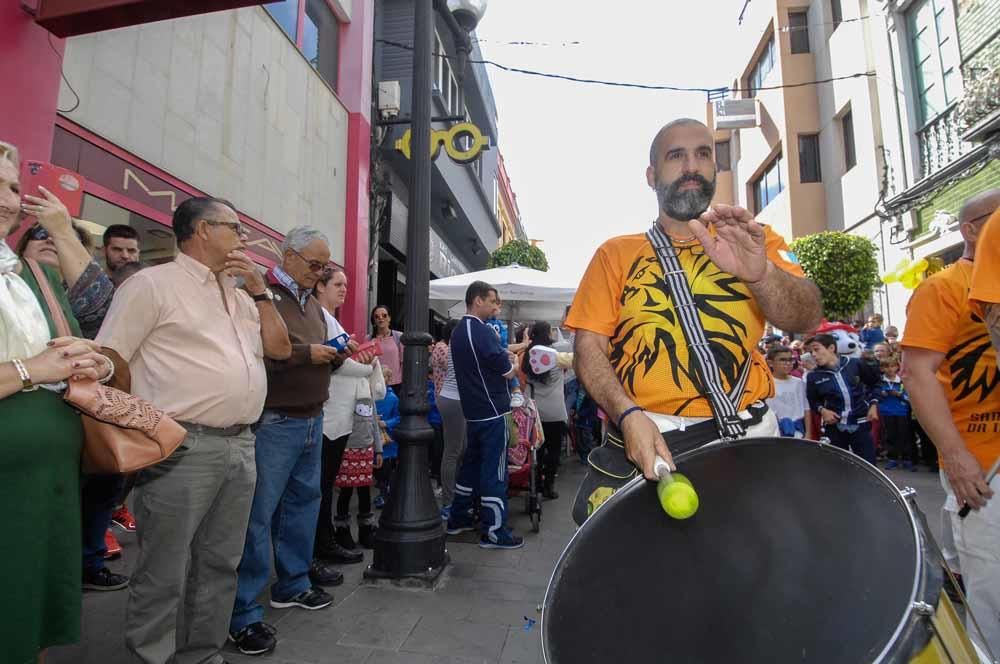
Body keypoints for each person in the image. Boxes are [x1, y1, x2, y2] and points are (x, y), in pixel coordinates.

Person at [566, 119, 821, 523]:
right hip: (648, 442)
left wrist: (760, 273)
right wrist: (627, 415)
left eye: (703, 154)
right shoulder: (615, 255)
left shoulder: (755, 238)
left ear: (715, 170)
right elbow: (589, 349)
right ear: (652, 176)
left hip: (750, 437)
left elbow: (806, 317)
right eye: (676, 155)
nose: (691, 166)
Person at [95, 195, 291, 664]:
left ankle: (202, 654)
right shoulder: (151, 286)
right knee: (164, 567)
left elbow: (280, 350)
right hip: (181, 443)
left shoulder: (243, 296)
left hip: (242, 442)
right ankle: (152, 656)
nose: (243, 238)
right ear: (202, 230)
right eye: (234, 227)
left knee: (221, 563)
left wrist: (261, 292)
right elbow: (110, 358)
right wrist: (140, 426)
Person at [1, 140, 116, 664]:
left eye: (12, 187)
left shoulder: (38, 277)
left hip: (48, 477)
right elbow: (37, 368)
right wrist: (32, 371)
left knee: (34, 612)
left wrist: (90, 362)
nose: (7, 199)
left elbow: (90, 327)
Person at [228, 226, 351, 656]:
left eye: (325, 266)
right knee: (258, 515)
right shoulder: (260, 293)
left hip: (311, 417)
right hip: (276, 420)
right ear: (289, 256)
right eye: (315, 265)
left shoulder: (309, 303)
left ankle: (293, 583)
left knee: (302, 506)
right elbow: (259, 353)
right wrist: (307, 354)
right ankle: (242, 611)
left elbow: (308, 351)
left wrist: (333, 355)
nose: (320, 273)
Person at [902, 188, 1000, 656]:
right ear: (972, 229)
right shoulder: (942, 288)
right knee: (992, 598)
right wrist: (957, 458)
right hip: (984, 469)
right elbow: (918, 374)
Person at [16, 213, 131, 587]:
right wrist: (32, 369)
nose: (49, 241)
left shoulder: (87, 304)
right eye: (39, 235)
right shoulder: (11, 292)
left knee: (91, 500)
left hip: (78, 428)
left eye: (61, 240)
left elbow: (107, 336)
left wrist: (101, 366)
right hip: (20, 438)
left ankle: (83, 564)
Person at [446, 280, 523, 549]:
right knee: (495, 472)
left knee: (470, 469)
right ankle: (494, 532)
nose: (495, 306)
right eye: (492, 301)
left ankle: (459, 519)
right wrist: (515, 363)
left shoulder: (458, 331)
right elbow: (506, 371)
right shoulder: (482, 332)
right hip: (493, 411)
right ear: (477, 300)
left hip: (474, 412)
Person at [313, 268, 369, 567]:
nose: (344, 289)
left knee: (325, 485)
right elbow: (340, 363)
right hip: (327, 417)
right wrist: (369, 365)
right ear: (320, 286)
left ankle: (324, 541)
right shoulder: (319, 318)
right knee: (320, 487)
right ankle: (322, 544)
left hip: (337, 417)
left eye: (347, 284)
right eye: (338, 284)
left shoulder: (330, 319)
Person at [804, 333, 880, 464]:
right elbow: (813, 402)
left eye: (816, 349)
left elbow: (875, 384)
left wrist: (873, 405)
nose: (814, 355)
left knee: (868, 466)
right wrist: (823, 411)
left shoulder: (855, 364)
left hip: (860, 423)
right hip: (834, 427)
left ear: (831, 348)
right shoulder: (813, 376)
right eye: (811, 352)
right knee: (837, 467)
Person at [521, 321, 571, 499]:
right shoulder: (557, 356)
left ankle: (537, 484)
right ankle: (549, 485)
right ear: (548, 334)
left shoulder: (526, 355)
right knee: (554, 450)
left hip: (534, 411)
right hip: (556, 411)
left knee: (536, 450)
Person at [431, 320, 466, 521]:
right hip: (450, 400)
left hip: (449, 399)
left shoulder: (447, 346)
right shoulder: (446, 348)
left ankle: (453, 495)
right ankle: (448, 501)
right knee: (452, 451)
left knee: (458, 449)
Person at [765, 346, 813, 439]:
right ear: (770, 363)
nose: (788, 363)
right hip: (774, 431)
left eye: (790, 360)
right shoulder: (766, 384)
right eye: (782, 360)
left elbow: (806, 408)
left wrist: (808, 433)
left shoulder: (798, 382)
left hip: (798, 430)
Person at [877, 356, 916, 471]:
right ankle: (892, 459)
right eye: (886, 367)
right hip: (886, 412)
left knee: (905, 435)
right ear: (882, 368)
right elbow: (873, 395)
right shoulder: (880, 381)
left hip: (902, 411)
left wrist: (900, 395)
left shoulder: (903, 380)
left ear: (897, 367)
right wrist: (881, 395)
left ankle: (907, 459)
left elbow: (911, 397)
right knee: (890, 435)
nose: (890, 369)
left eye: (892, 366)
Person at [370, 305, 403, 393]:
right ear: (374, 321)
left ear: (389, 318)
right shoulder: (369, 339)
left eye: (384, 315)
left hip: (396, 385)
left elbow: (404, 361)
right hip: (376, 383)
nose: (381, 318)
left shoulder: (398, 337)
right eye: (377, 317)